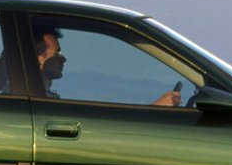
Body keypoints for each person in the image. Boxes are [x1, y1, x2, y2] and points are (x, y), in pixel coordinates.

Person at [33, 25, 181, 106]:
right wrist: (154, 110)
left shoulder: (44, 99)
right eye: (57, 53)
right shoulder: (38, 104)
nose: (63, 59)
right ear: (38, 58)